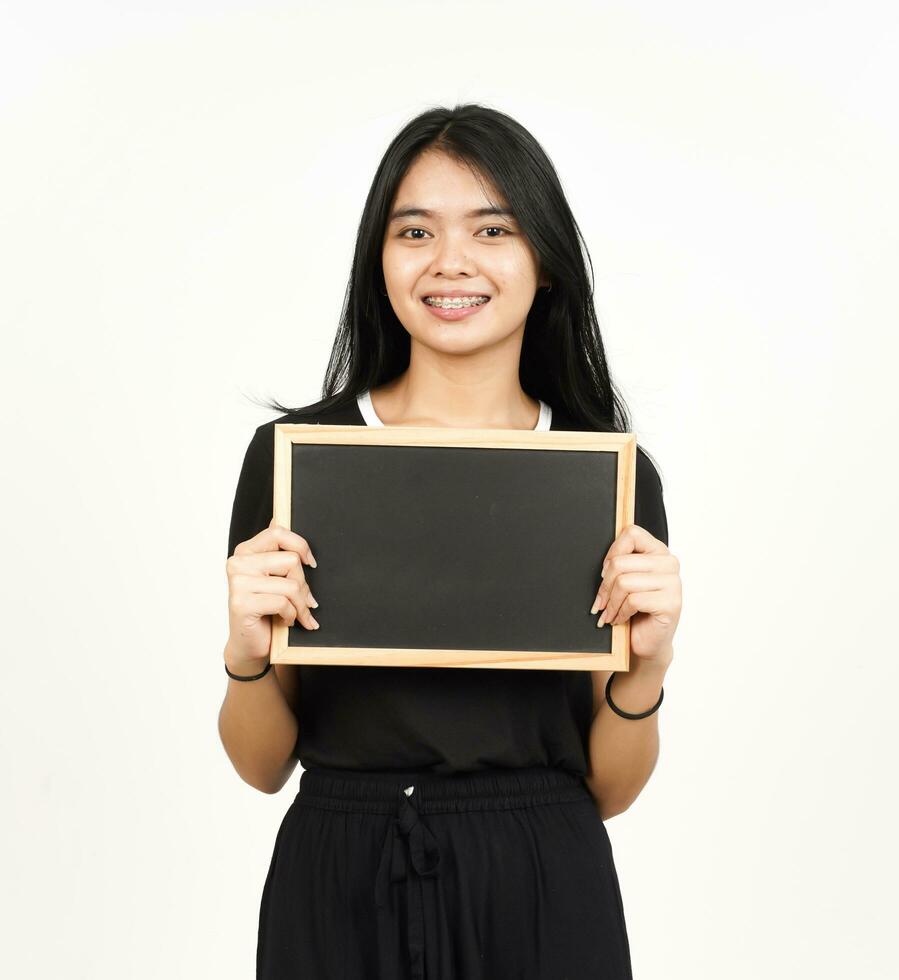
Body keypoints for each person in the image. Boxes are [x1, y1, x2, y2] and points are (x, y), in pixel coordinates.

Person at [219, 103, 683, 980]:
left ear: (543, 260)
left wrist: (648, 670)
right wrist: (244, 649)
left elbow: (610, 789)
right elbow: (259, 763)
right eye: (415, 232)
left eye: (492, 228)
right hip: (339, 875)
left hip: (542, 879)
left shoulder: (608, 476)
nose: (451, 262)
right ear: (379, 262)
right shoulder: (294, 463)